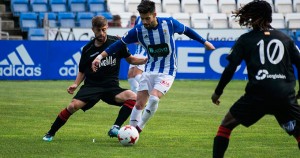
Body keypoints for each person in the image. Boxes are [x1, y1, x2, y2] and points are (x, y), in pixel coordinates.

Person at [92, 0, 215, 134]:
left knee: (154, 98)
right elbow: (118, 45)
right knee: (139, 103)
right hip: (149, 69)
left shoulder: (169, 23)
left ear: (154, 14)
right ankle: (130, 132)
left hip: (168, 70)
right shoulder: (139, 30)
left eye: (147, 18)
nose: (145, 22)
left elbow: (187, 31)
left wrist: (205, 42)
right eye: (143, 19)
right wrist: (99, 57)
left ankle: (138, 129)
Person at [211, 1, 300, 157]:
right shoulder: (286, 39)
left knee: (226, 125)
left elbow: (231, 68)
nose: (249, 20)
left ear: (256, 17)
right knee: (298, 132)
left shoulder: (246, 39)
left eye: (251, 17)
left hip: (257, 95)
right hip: (284, 95)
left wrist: (218, 92)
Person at [42, 15, 147, 142]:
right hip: (92, 86)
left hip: (111, 87)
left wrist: (147, 60)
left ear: (107, 27)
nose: (102, 33)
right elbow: (82, 70)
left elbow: (131, 59)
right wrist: (76, 84)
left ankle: (115, 127)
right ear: (93, 30)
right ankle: (50, 133)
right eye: (99, 30)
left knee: (133, 97)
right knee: (72, 106)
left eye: (104, 29)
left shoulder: (116, 43)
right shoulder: (88, 49)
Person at [127, 16, 147, 94]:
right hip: (137, 52)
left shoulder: (150, 20)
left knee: (136, 74)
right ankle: (135, 98)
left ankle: (148, 88)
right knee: (130, 74)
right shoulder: (138, 18)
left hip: (144, 53)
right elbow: (134, 34)